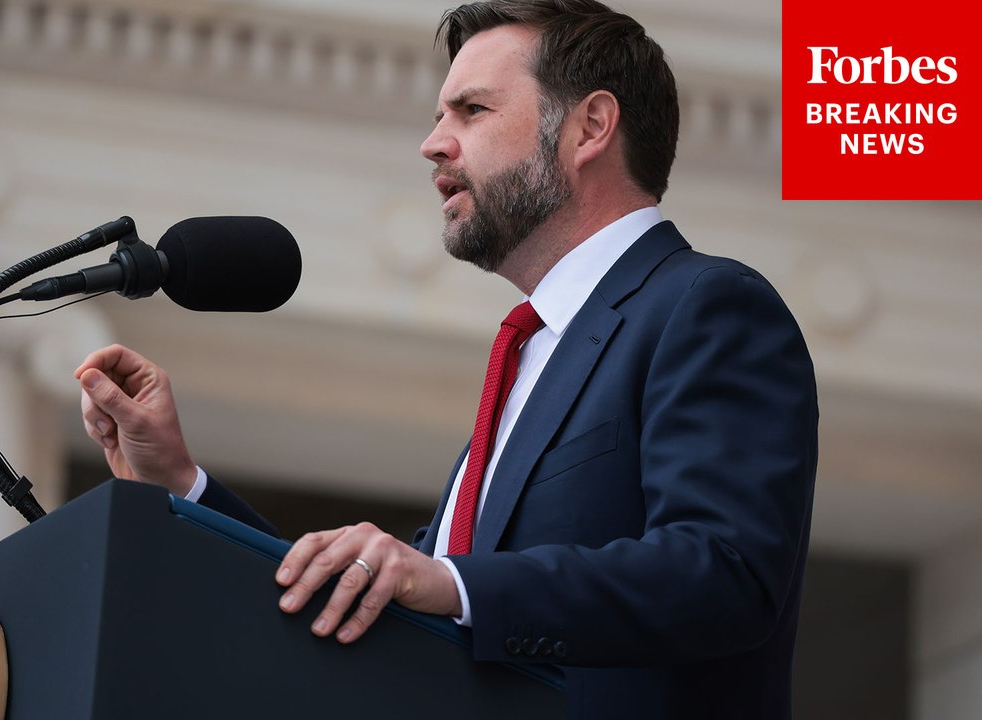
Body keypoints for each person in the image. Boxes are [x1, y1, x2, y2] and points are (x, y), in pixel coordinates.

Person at [74, 2, 818, 718]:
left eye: (472, 110)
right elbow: (383, 604)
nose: (434, 143)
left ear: (591, 125)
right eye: (440, 115)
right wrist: (182, 484)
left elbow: (724, 572)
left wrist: (454, 582)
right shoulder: (532, 355)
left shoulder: (704, 305)